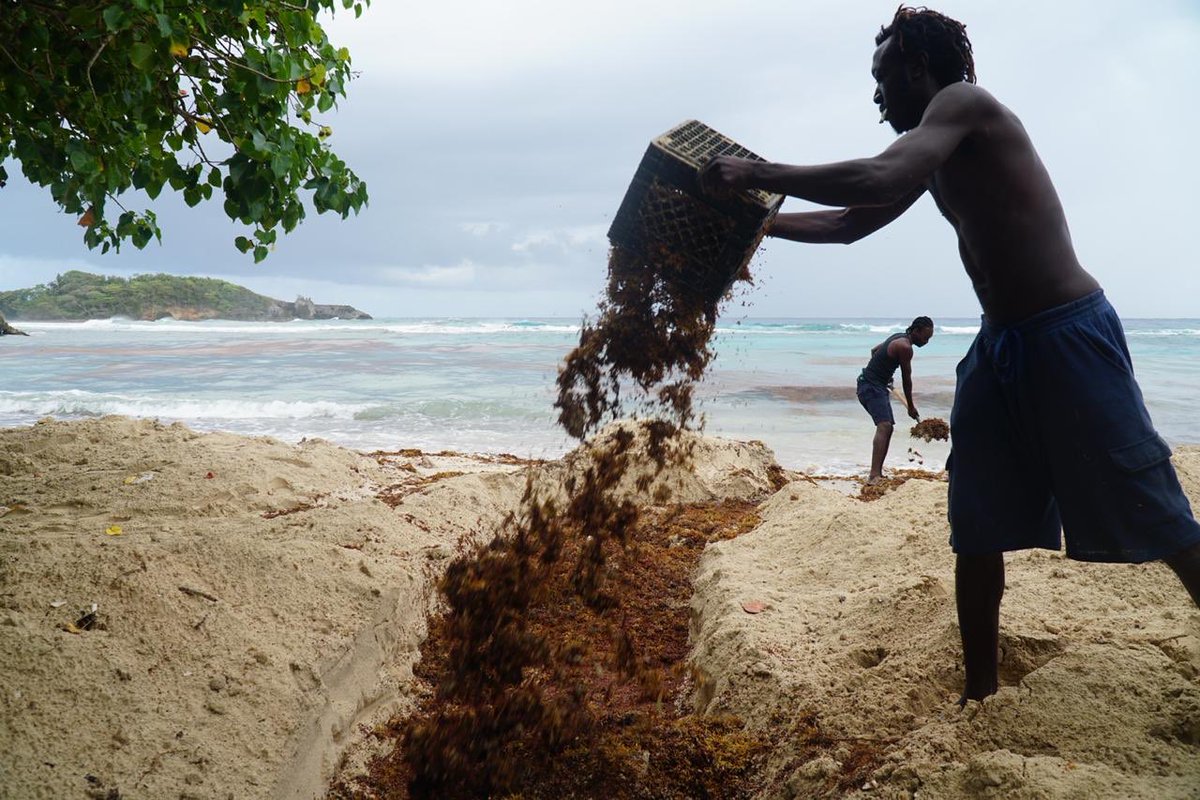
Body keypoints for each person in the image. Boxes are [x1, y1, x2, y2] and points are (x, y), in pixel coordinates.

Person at [699, 5, 1200, 705]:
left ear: (917, 68)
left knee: (1156, 510)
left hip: (1066, 333)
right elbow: (848, 225)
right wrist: (756, 222)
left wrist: (756, 172)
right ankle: (979, 695)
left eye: (882, 80)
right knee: (976, 516)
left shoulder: (963, 104)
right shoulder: (932, 153)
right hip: (1000, 346)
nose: (876, 97)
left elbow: (873, 179)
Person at [857, 316, 934, 484]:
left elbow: (874, 351)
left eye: (929, 339)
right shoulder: (905, 347)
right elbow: (907, 379)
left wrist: (885, 377)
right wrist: (911, 407)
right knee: (884, 426)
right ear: (916, 331)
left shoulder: (898, 336)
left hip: (871, 383)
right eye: (925, 337)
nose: (926, 341)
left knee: (888, 427)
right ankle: (874, 475)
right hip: (870, 387)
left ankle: (877, 473)